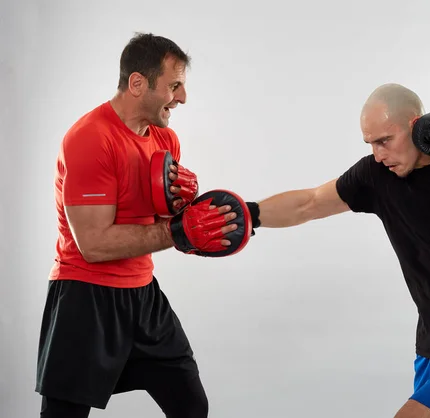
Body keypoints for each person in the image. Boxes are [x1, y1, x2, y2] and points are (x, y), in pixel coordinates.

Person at [244, 83, 430, 418]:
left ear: (417, 126)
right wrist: (248, 212)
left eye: (384, 140)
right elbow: (309, 203)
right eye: (370, 143)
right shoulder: (376, 175)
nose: (378, 154)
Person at [35, 33, 249, 418]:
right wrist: (177, 231)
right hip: (85, 296)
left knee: (191, 406)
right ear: (137, 83)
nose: (182, 97)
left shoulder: (165, 139)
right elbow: (95, 245)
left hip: (143, 295)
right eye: (174, 86)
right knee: (64, 414)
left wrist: (193, 220)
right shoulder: (89, 139)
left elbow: (161, 223)